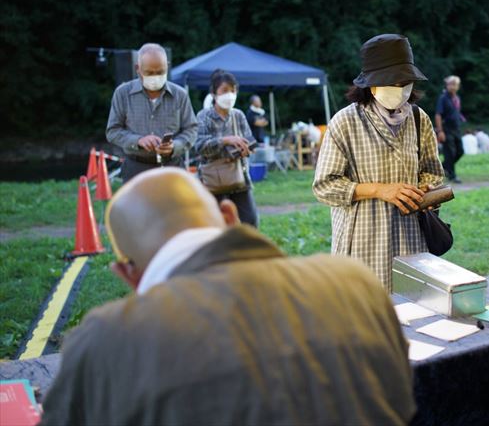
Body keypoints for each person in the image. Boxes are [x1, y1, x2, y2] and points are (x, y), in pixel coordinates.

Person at [39, 168, 416, 426]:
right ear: (230, 215)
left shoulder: (103, 341)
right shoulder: (354, 282)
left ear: (127, 274)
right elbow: (402, 402)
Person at [313, 34, 444, 291]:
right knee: (363, 308)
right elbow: (324, 186)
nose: (400, 88)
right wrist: (380, 190)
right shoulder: (345, 122)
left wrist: (428, 191)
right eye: (392, 82)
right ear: (372, 84)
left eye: (405, 82)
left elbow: (432, 172)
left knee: (411, 307)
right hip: (362, 242)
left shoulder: (419, 119)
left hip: (411, 240)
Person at [106, 43, 198, 182]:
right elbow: (112, 131)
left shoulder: (180, 95)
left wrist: (175, 146)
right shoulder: (123, 93)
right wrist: (138, 140)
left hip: (172, 167)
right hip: (136, 168)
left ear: (167, 66)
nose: (155, 77)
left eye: (160, 72)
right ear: (138, 68)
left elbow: (191, 129)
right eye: (149, 73)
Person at [195, 70, 259, 227]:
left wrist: (247, 149)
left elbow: (249, 139)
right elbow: (199, 146)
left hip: (239, 178)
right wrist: (225, 140)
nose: (229, 95)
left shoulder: (239, 115)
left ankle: (245, 244)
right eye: (224, 90)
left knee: (250, 220)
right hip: (213, 181)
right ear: (213, 93)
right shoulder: (204, 116)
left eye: (233, 90)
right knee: (217, 224)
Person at [435, 75, 465, 183]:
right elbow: (438, 115)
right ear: (447, 85)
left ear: (458, 86)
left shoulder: (457, 98)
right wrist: (440, 131)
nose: (452, 86)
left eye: (455, 84)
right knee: (450, 153)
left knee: (460, 151)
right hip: (446, 129)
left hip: (456, 129)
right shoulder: (443, 98)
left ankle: (443, 167)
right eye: (450, 84)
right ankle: (452, 175)